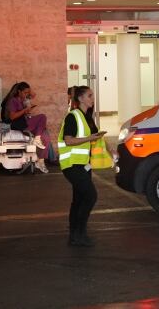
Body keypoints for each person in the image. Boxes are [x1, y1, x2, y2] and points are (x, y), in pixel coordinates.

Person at [59, 85, 106, 247]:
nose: (93, 98)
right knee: (90, 196)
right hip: (72, 165)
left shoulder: (88, 117)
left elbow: (93, 138)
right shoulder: (73, 116)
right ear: (80, 99)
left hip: (84, 164)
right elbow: (68, 140)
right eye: (90, 95)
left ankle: (75, 235)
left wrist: (110, 149)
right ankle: (80, 232)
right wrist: (89, 138)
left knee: (78, 200)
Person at [1, 82, 51, 173]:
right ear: (19, 91)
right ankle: (37, 138)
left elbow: (33, 95)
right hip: (19, 124)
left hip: (25, 121)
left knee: (46, 136)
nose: (27, 95)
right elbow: (12, 117)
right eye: (25, 92)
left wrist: (27, 110)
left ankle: (40, 161)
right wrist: (24, 110)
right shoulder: (13, 100)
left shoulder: (22, 100)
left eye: (28, 92)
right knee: (42, 117)